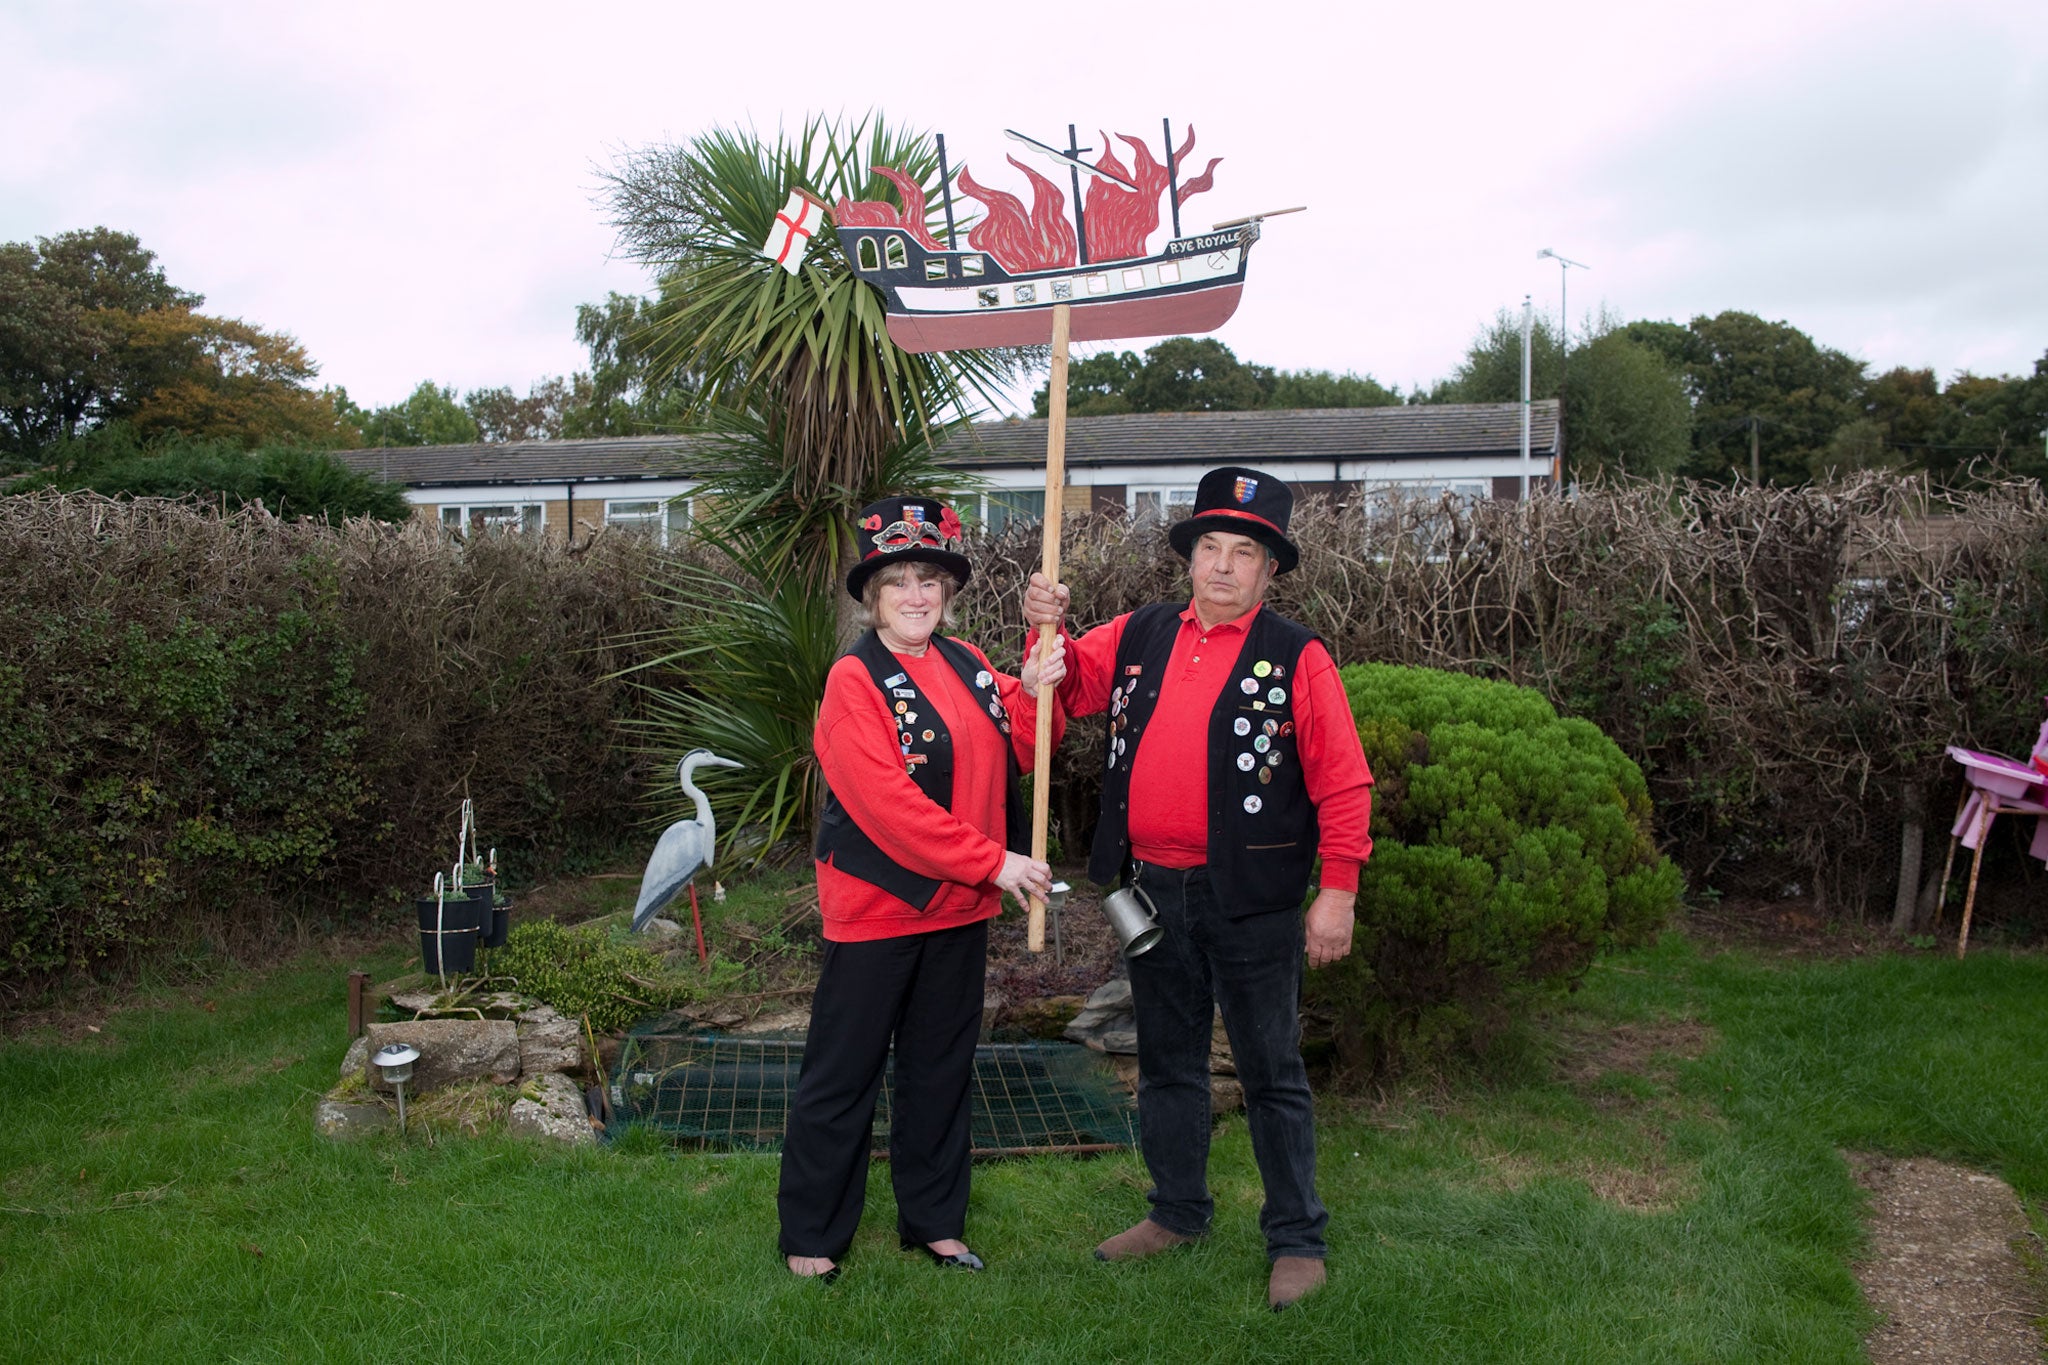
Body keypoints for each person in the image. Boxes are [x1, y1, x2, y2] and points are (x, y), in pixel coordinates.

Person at [1022, 465, 1373, 1311]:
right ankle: (1177, 1211)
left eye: (1242, 551)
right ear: (1190, 556)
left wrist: (1339, 891)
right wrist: (1045, 631)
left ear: (1270, 568)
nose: (1221, 564)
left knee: (1271, 1070)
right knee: (1168, 1063)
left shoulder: (1298, 655)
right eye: (1209, 546)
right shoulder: (1140, 632)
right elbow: (1065, 687)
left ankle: (1297, 1236)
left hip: (1249, 897)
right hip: (1152, 890)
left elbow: (1345, 780)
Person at [778, 495, 1065, 1282]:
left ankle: (934, 1222)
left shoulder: (970, 664)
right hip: (877, 909)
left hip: (958, 909)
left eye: (930, 579)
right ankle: (812, 1233)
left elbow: (1029, 747)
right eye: (899, 578)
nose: (916, 594)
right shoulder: (852, 680)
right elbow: (888, 809)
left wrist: (1040, 683)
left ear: (947, 591)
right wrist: (996, 862)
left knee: (939, 1070)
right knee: (844, 1077)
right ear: (873, 593)